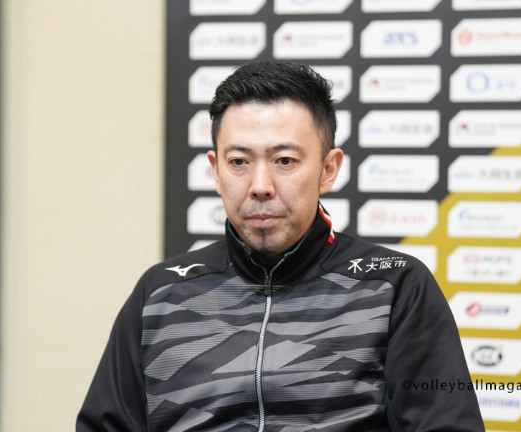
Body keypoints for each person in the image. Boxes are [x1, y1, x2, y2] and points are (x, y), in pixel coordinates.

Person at [77, 62, 484, 431]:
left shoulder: (394, 286)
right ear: (215, 170)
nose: (260, 186)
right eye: (239, 161)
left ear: (328, 169)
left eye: (284, 161)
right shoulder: (161, 293)